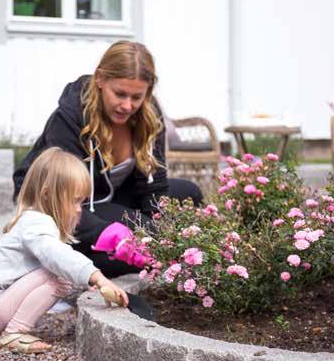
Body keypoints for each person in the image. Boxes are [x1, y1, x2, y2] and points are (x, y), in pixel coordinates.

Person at [13, 40, 203, 278]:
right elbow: (60, 200)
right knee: (142, 235)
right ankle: (75, 259)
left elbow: (155, 187)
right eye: (120, 94)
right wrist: (121, 234)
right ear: (100, 79)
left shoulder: (149, 116)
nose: (127, 105)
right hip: (63, 204)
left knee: (188, 194)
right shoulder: (70, 118)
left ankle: (128, 254)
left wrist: (160, 229)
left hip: (110, 196)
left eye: (137, 97)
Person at [0, 148, 128, 354]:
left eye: (82, 202)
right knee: (60, 276)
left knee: (60, 272)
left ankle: (11, 330)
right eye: (75, 200)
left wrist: (88, 284)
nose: (79, 209)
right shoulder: (37, 223)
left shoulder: (34, 221)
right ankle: (14, 332)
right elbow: (58, 257)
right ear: (47, 194)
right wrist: (98, 278)